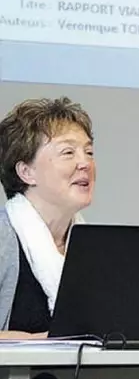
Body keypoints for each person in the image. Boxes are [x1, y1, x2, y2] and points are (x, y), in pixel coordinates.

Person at [0, 96, 96, 339]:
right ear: (26, 172)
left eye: (89, 151)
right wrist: (39, 341)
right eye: (68, 152)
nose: (85, 163)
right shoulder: (4, 237)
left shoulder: (93, 246)